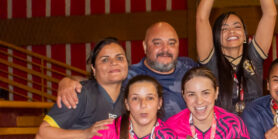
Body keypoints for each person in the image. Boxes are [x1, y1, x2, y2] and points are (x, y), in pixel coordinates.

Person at [195, 0, 277, 114]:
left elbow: (270, 14)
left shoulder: (253, 56)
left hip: (253, 132)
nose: (231, 31)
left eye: (237, 26)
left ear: (246, 36)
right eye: (224, 28)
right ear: (216, 36)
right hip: (223, 133)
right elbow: (201, 18)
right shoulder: (211, 61)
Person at [58, 21, 198, 119]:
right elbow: (93, 82)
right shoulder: (128, 75)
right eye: (157, 43)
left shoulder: (190, 68)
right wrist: (67, 81)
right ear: (144, 46)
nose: (165, 49)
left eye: (171, 43)